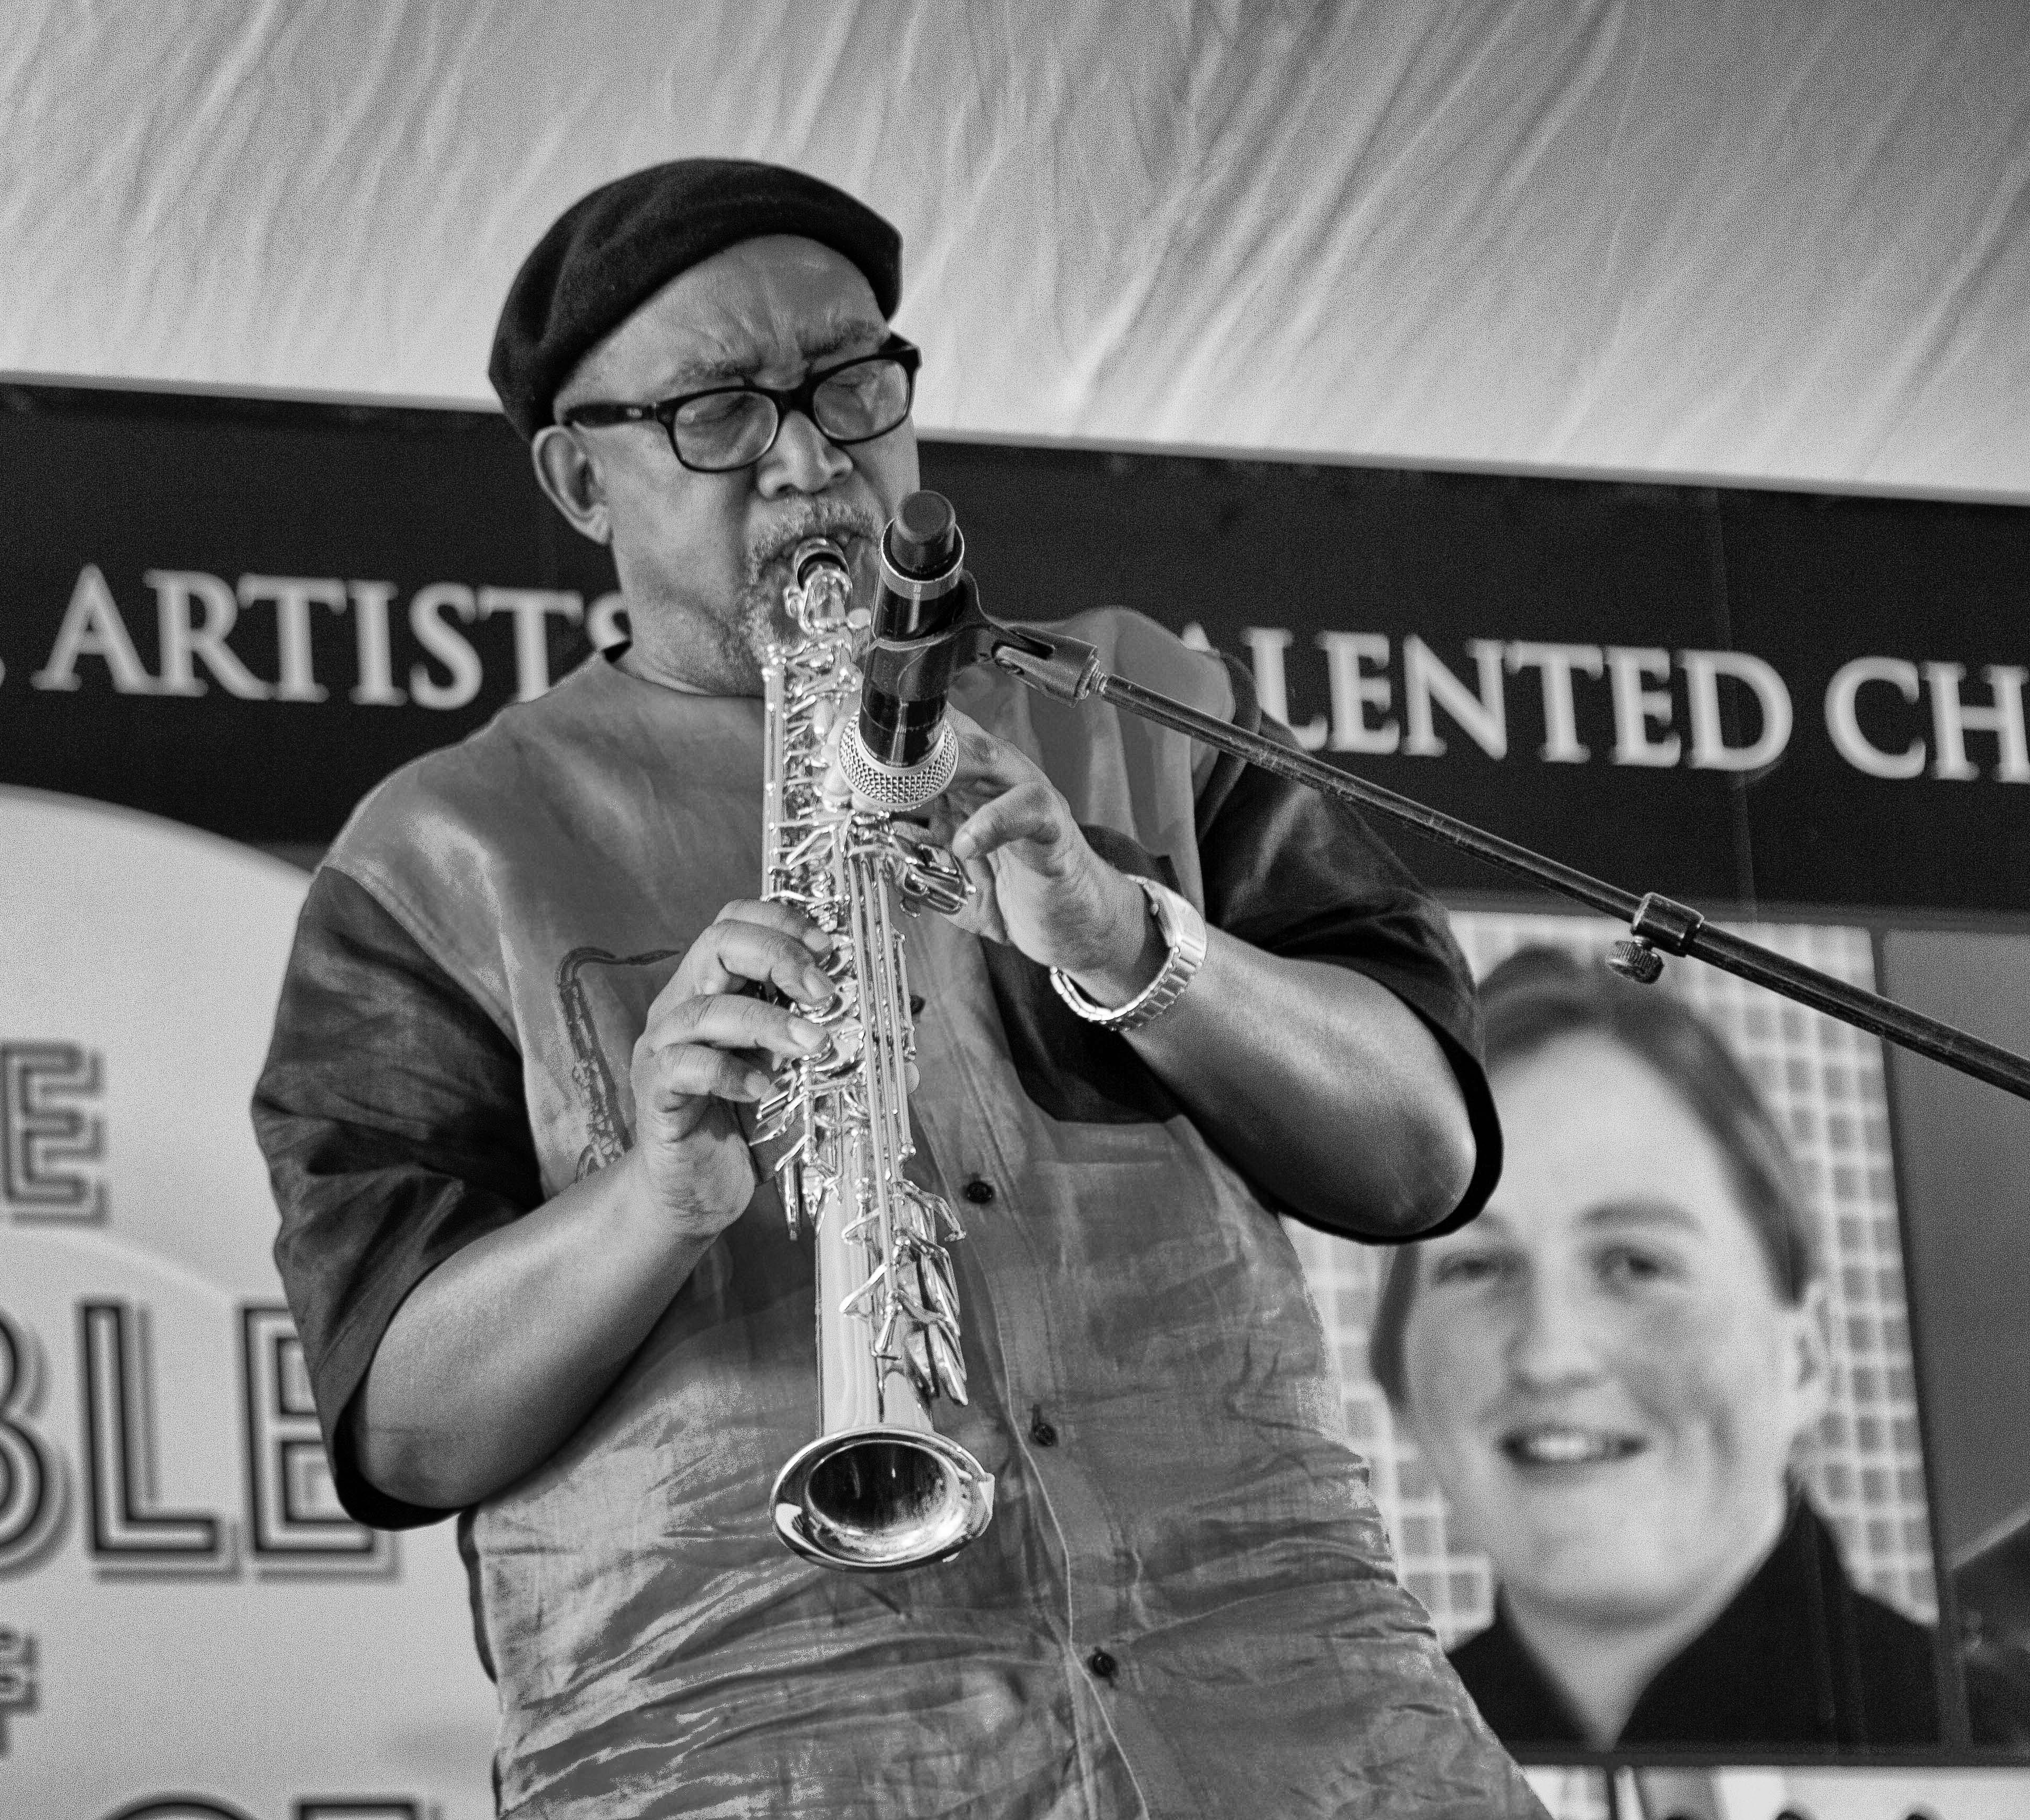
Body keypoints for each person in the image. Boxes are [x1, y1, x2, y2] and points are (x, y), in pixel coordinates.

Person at [255, 158, 1543, 1817]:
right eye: (718, 412)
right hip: (749, 1736)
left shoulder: (1140, 704)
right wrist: (652, 1201)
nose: (808, 461)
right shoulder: (440, 852)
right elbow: (407, 1428)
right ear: (581, 478)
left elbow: (1425, 1152)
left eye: (851, 385)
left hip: (1294, 1707)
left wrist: (1131, 945)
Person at [1372, 943, 2028, 1748]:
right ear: (1400, 1379)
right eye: (1477, 1267)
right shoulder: (1351, 1769)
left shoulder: (1991, 1739)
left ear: (1806, 1357)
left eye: (1634, 1264)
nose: (1549, 1355)